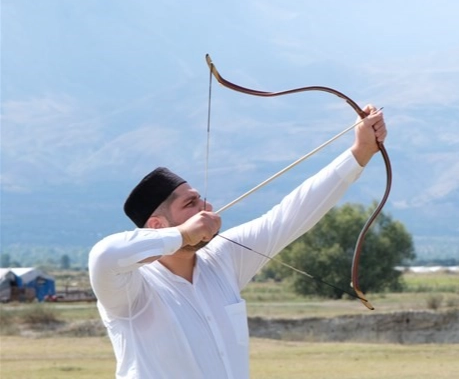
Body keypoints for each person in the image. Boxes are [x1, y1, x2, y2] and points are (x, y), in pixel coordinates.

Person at [89, 106, 386, 379]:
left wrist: (360, 152)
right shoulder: (130, 290)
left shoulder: (223, 258)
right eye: (191, 203)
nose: (206, 207)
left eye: (201, 198)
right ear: (156, 225)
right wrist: (183, 235)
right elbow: (104, 256)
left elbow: (289, 216)